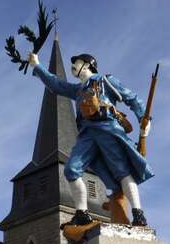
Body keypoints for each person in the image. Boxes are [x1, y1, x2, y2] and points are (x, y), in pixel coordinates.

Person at [28, 52, 154, 226]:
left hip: (107, 129)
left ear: (86, 65)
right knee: (71, 169)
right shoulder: (77, 89)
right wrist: (37, 65)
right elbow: (56, 84)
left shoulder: (106, 80)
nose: (72, 66)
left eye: (76, 63)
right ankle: (82, 213)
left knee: (122, 171)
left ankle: (138, 214)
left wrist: (143, 119)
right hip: (87, 135)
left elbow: (131, 98)